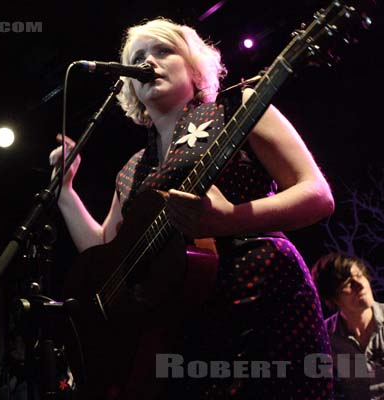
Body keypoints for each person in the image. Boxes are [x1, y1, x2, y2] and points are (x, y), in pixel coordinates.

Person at [49, 17, 335, 399]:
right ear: (129, 82)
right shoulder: (133, 168)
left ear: (194, 66)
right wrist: (65, 191)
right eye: (138, 57)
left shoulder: (238, 106)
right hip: (183, 327)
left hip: (262, 302)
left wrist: (230, 219)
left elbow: (317, 194)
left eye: (164, 51)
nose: (149, 62)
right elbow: (106, 253)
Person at [311, 252, 384, 399]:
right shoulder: (324, 338)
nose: (359, 285)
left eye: (359, 276)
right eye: (347, 283)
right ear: (333, 298)